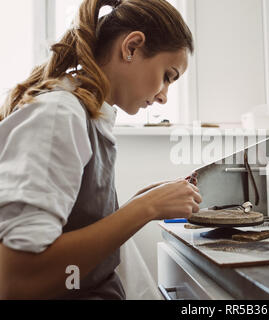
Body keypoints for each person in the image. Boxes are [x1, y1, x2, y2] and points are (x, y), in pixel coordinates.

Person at [0, 0, 201, 300]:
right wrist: (143, 209)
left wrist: (140, 203)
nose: (163, 97)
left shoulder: (93, 116)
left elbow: (73, 229)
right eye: (167, 76)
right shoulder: (60, 115)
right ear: (131, 47)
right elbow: (16, 280)